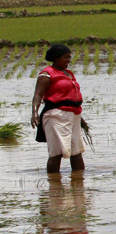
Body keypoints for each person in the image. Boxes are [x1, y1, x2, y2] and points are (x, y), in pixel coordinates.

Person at [31, 44, 86, 174]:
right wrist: (34, 112)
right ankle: (54, 186)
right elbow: (38, 94)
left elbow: (71, 96)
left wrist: (77, 115)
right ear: (56, 58)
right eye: (65, 57)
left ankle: (79, 184)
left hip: (73, 115)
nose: (68, 60)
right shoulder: (47, 74)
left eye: (69, 57)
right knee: (57, 152)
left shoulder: (68, 74)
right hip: (56, 116)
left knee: (76, 151)